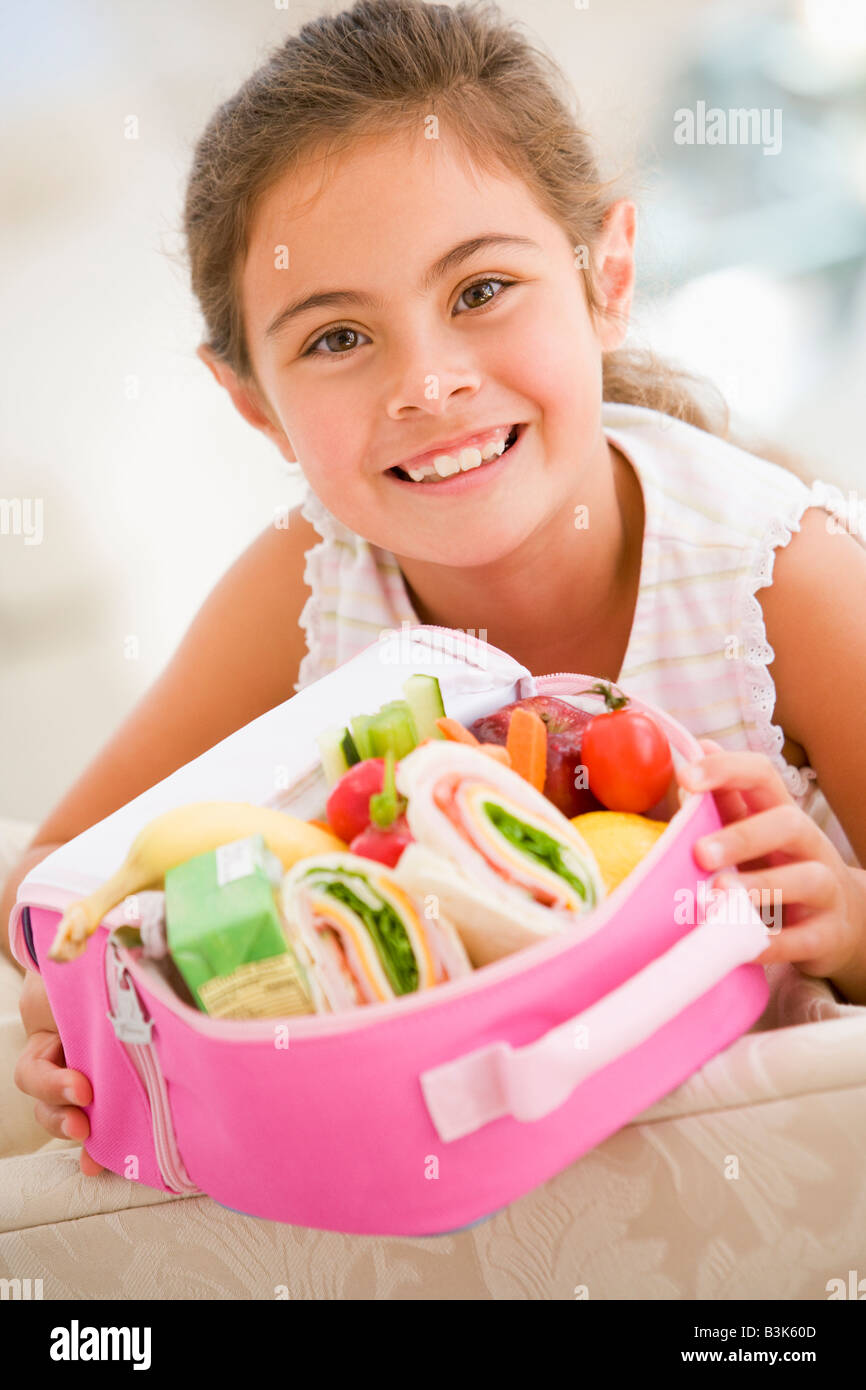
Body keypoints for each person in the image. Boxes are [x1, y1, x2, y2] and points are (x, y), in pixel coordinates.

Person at [6, 0, 866, 1178]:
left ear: (605, 275)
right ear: (252, 403)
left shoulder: (780, 580)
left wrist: (846, 926)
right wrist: (72, 1010)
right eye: (336, 340)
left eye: (477, 292)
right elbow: (53, 885)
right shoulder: (306, 585)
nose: (428, 384)